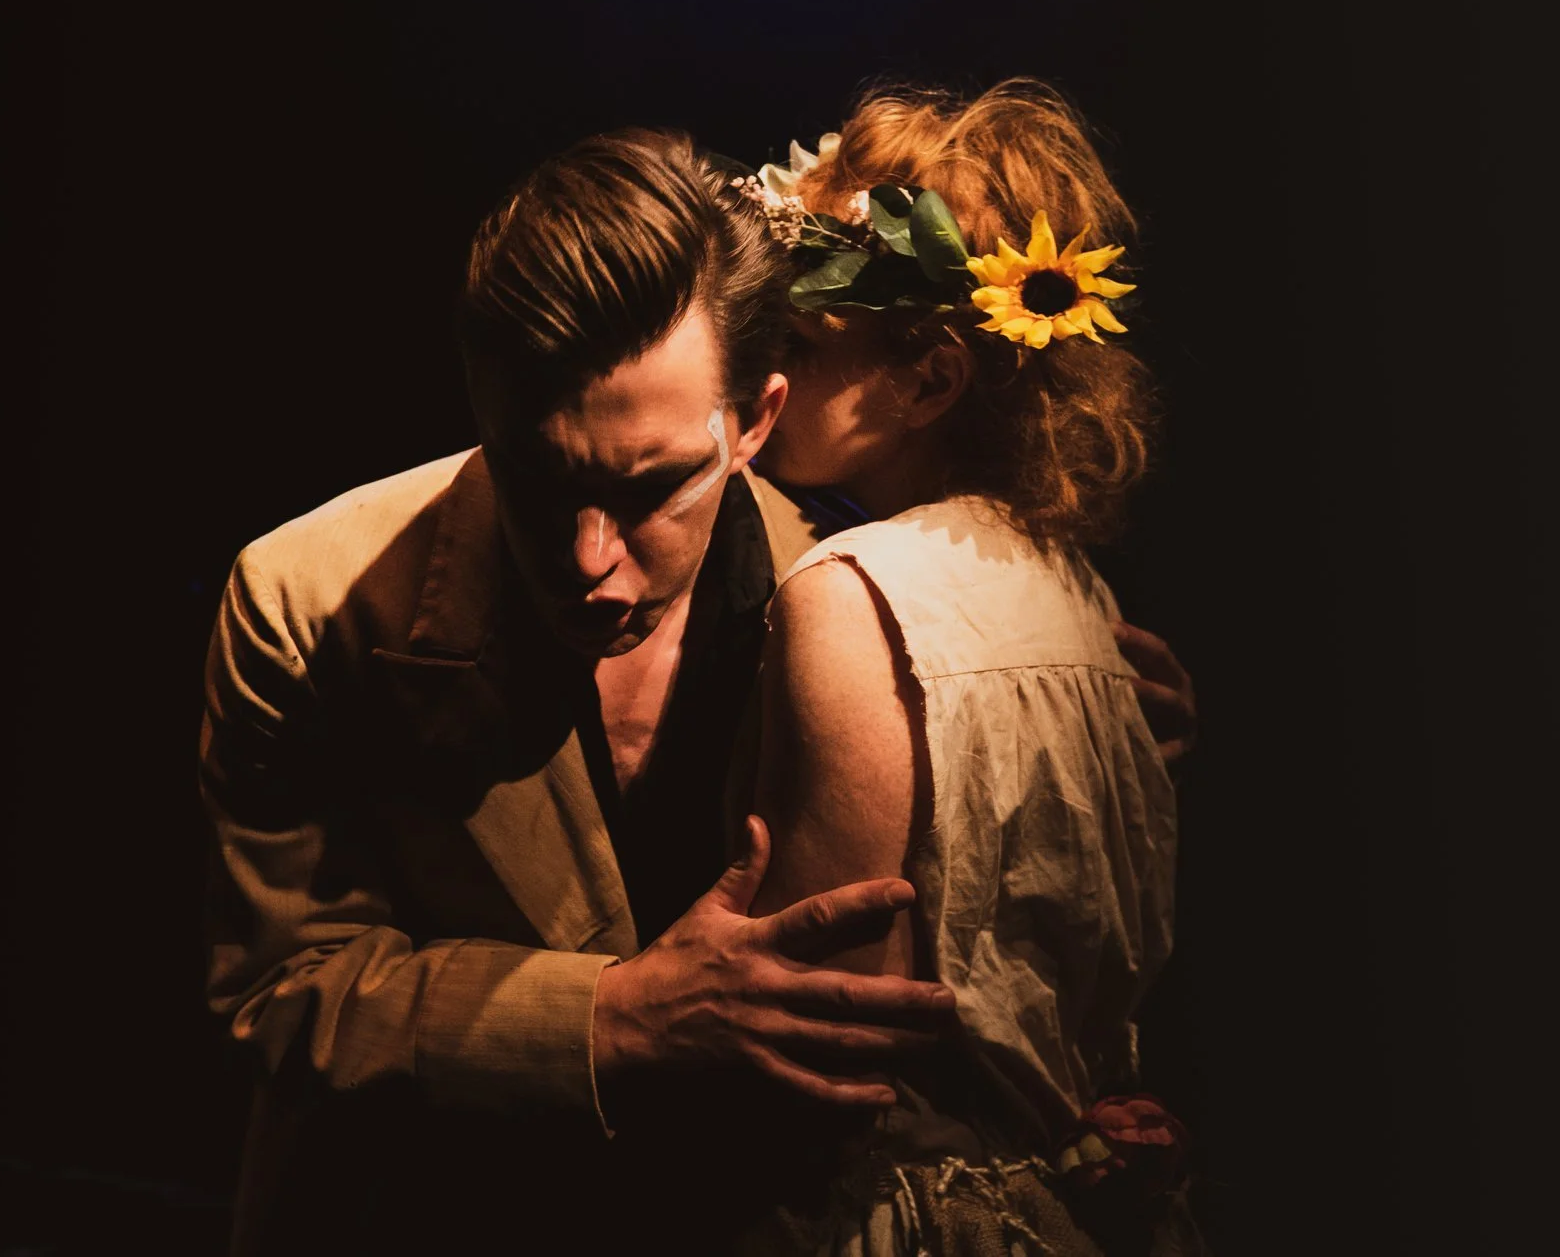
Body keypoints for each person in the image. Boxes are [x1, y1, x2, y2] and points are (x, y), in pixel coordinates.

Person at [199, 123, 1196, 1254]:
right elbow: (277, 994)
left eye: (650, 487)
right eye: (535, 476)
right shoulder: (300, 599)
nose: (587, 558)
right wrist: (610, 1018)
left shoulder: (857, 601)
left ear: (756, 420)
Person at [738, 80, 1203, 1254]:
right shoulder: (1075, 588)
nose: (762, 380)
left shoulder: (851, 592)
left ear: (932, 378)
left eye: (797, 343)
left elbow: (817, 1032)